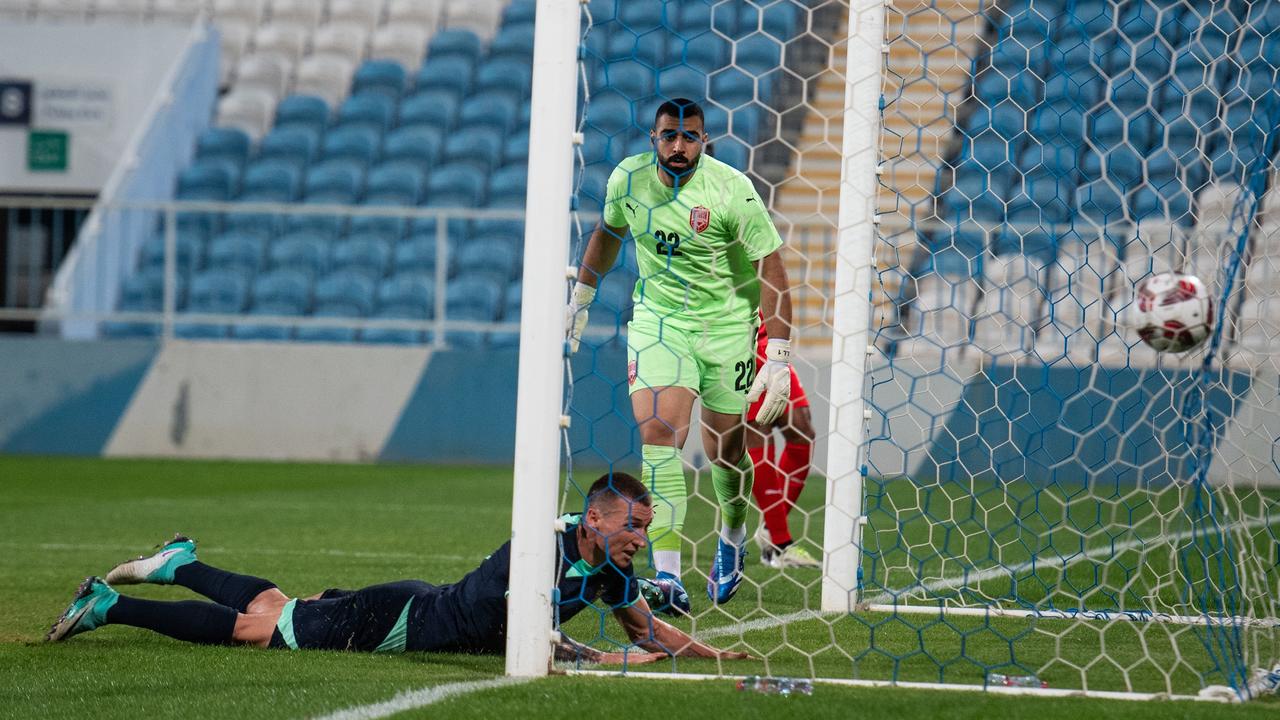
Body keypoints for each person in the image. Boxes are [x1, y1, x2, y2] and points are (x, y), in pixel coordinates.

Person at [46, 473, 748, 664]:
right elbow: (527, 635)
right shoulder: (545, 549)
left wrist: (714, 653)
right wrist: (596, 657)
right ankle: (110, 606)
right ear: (595, 518)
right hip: (398, 622)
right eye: (631, 524)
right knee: (256, 633)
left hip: (413, 607)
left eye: (644, 528)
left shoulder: (610, 571)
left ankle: (180, 562)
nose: (639, 537)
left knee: (279, 609)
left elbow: (651, 632)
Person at [566, 98, 795, 614]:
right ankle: (667, 577)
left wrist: (777, 354)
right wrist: (580, 298)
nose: (678, 146)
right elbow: (608, 235)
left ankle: (733, 536)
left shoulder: (732, 189)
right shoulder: (628, 181)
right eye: (669, 136)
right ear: (654, 138)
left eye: (689, 137)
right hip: (660, 321)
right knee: (660, 433)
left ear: (704, 141)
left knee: (725, 452)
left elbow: (771, 269)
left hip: (729, 326)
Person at [746, 311, 819, 569]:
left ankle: (770, 527)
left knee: (803, 433)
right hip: (741, 337)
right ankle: (781, 543)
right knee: (758, 428)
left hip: (771, 340)